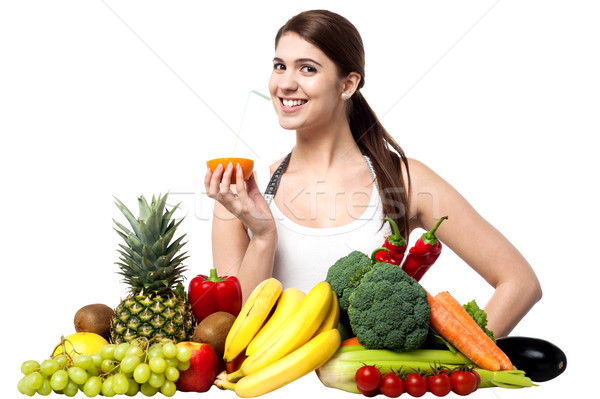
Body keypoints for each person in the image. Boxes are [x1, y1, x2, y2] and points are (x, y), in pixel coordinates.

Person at [204, 9, 542, 338]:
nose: (286, 83)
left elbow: (519, 283)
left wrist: (460, 367)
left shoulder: (405, 180)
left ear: (348, 84)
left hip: (374, 389)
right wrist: (262, 236)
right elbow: (231, 336)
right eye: (280, 66)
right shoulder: (241, 192)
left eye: (307, 68)